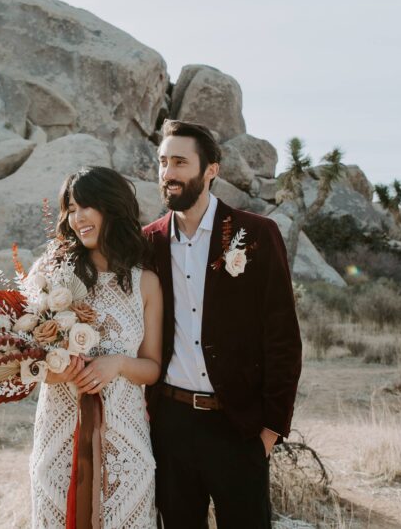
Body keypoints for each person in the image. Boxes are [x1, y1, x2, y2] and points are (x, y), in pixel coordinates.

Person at [144, 120, 303, 528]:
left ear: (211, 169)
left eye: (180, 162)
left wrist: (270, 430)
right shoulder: (149, 243)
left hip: (238, 425)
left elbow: (283, 337)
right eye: (163, 162)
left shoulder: (257, 235)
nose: (168, 173)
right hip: (171, 424)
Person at [30, 165, 164, 529]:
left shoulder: (145, 284)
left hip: (126, 444)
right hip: (60, 439)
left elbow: (152, 368)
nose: (77, 218)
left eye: (86, 206)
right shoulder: (50, 277)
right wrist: (58, 371)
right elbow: (28, 362)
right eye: (71, 208)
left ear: (112, 207)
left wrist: (117, 364)